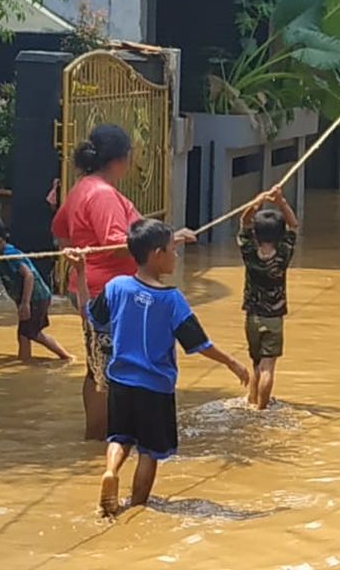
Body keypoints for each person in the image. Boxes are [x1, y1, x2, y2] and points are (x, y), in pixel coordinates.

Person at [88, 219, 249, 516]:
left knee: (120, 438)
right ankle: (137, 508)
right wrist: (232, 362)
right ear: (156, 254)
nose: (176, 257)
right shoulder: (172, 300)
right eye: (172, 251)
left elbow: (96, 319)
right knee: (149, 452)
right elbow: (200, 344)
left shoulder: (116, 287)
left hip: (121, 382)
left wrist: (75, 269)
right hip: (155, 388)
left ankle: (111, 471)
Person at [51, 124, 197, 440]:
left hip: (90, 287)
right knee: (109, 368)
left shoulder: (81, 187)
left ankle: (97, 440)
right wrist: (169, 239)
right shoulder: (102, 195)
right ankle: (108, 438)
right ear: (121, 159)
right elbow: (116, 241)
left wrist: (75, 265)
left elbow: (60, 228)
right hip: (112, 293)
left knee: (97, 366)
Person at [0, 216, 73, 362]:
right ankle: (27, 360)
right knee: (27, 333)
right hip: (31, 297)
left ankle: (60, 358)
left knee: (30, 334)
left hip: (35, 297)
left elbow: (28, 276)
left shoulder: (9, 255)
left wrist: (25, 303)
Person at [237, 184, 299, 410]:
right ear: (280, 234)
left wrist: (257, 201)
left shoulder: (249, 253)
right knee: (268, 366)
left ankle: (252, 402)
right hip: (274, 317)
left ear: (256, 233)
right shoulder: (284, 253)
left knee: (256, 363)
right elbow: (294, 224)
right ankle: (262, 409)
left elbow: (243, 222)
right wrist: (281, 201)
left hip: (252, 316)